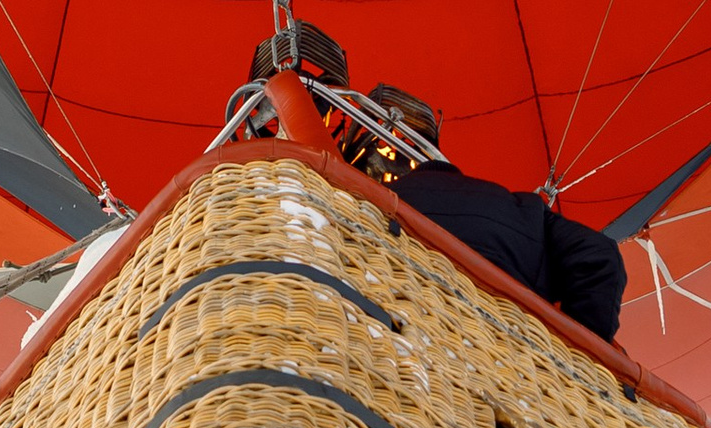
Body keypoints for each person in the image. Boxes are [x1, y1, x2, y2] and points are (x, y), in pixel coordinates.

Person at [232, 40, 629, 344]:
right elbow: (600, 257)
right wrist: (577, 347)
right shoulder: (524, 207)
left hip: (414, 359)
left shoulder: (366, 205)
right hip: (517, 367)